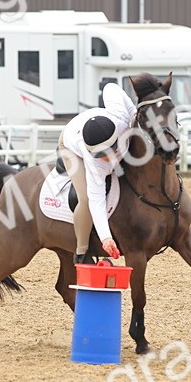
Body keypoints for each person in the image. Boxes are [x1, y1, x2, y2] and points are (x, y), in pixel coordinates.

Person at [58, 82, 137, 264]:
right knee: (85, 199)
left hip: (95, 123)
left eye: (108, 153)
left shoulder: (122, 118)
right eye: (101, 156)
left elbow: (110, 87)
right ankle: (81, 251)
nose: (106, 160)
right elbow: (96, 200)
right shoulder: (94, 161)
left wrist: (133, 113)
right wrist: (106, 238)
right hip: (69, 144)